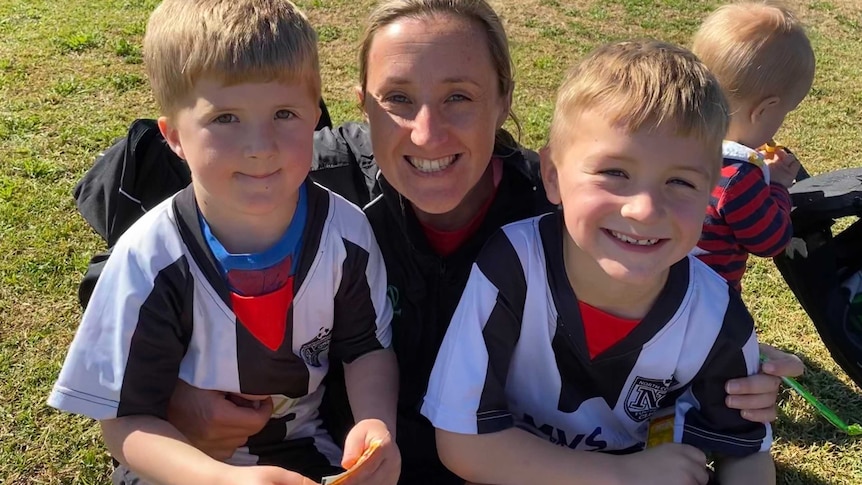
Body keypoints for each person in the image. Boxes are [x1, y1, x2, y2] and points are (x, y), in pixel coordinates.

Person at [76, 1, 805, 484]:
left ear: (503, 100)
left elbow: (652, 274)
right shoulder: (309, 171)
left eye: (458, 96)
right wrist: (172, 393)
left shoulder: (552, 207)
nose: (427, 133)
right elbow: (135, 269)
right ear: (361, 105)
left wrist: (730, 364)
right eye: (398, 99)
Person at [47, 1, 400, 484]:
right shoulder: (149, 258)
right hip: (177, 465)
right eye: (226, 118)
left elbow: (365, 349)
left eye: (284, 113)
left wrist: (376, 425)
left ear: (315, 116)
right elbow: (124, 424)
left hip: (305, 450)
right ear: (173, 137)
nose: (260, 145)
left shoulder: (347, 233)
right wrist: (224, 480)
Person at [422, 39, 775, 485]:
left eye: (680, 182)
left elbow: (744, 453)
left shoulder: (716, 315)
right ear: (552, 176)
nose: (644, 209)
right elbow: (461, 440)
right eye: (615, 173)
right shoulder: (512, 266)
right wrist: (620, 473)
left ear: (710, 195)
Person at [691, 0, 815, 291]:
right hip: (705, 301)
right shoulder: (738, 177)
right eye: (784, 112)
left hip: (657, 288)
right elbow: (770, 240)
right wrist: (778, 188)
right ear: (764, 109)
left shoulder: (681, 146)